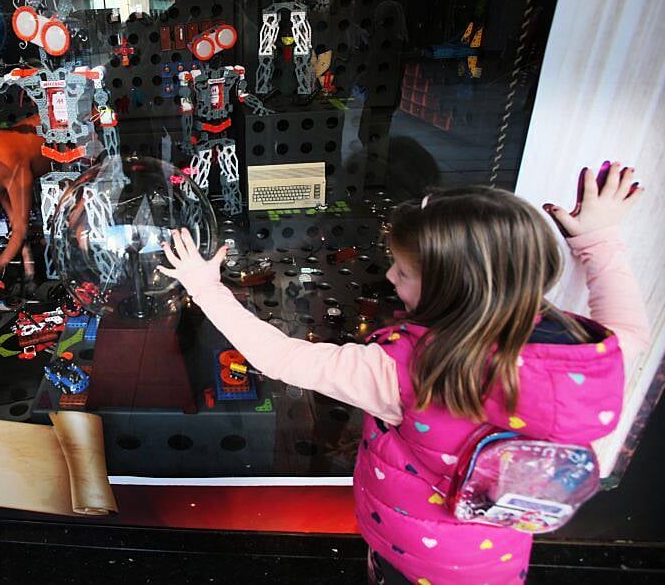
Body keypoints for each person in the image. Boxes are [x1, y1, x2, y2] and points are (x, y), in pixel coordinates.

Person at [158, 163, 649, 585]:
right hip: (496, 560)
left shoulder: (409, 371)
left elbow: (281, 358)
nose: (390, 277)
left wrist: (206, 288)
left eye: (404, 272)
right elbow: (630, 326)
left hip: (410, 557)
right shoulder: (590, 358)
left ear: (454, 288)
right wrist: (598, 237)